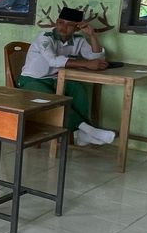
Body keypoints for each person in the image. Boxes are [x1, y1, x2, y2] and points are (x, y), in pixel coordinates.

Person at [16, 8, 117, 147]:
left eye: (69, 25)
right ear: (57, 22)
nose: (63, 27)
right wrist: (87, 64)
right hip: (31, 80)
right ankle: (87, 130)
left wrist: (92, 35)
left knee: (78, 88)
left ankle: (82, 134)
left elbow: (97, 58)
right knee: (53, 100)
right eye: (60, 22)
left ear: (77, 28)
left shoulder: (78, 39)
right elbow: (53, 60)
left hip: (56, 79)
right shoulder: (45, 37)